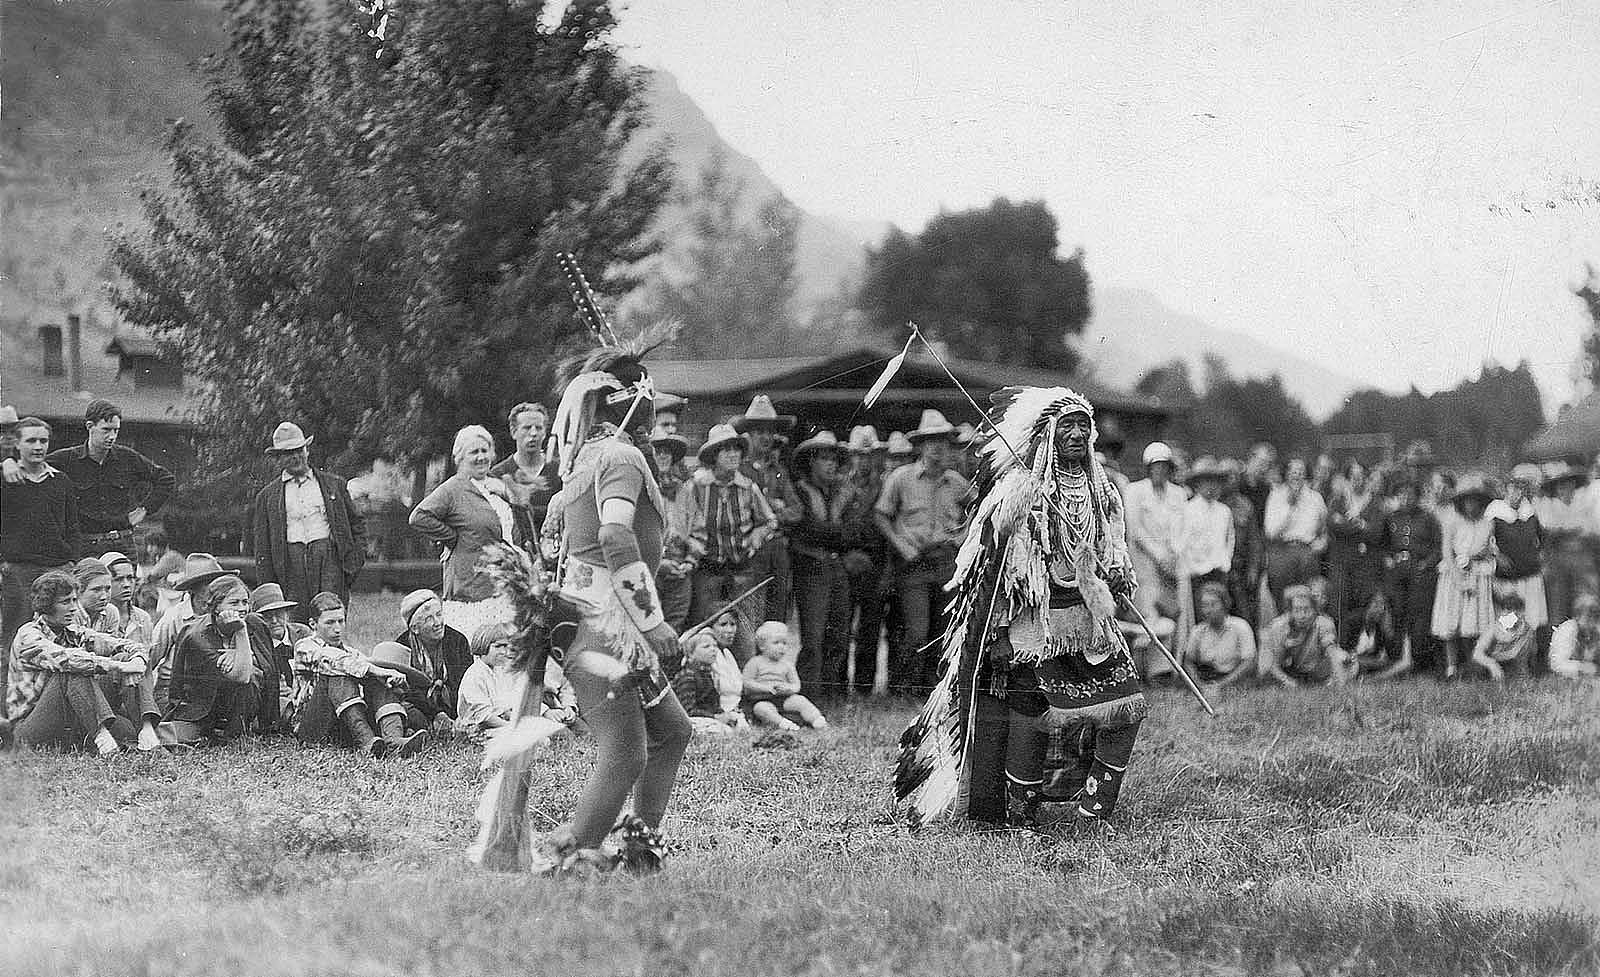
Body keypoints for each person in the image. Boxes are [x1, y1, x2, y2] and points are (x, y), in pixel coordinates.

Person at [896, 387, 1144, 827]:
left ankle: (1094, 809)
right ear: (1046, 433)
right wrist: (999, 633)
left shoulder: (1102, 489)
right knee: (1032, 713)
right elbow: (1000, 571)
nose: (1075, 434)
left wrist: (1116, 571)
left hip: (1090, 621)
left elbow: (1115, 544)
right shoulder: (1020, 490)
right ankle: (1020, 811)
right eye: (1065, 425)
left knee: (1125, 706)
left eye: (1082, 426)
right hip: (1033, 623)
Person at [522, 335, 692, 874]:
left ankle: (639, 850)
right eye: (653, 407)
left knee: (672, 731)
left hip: (599, 626)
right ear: (636, 410)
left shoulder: (582, 465)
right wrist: (655, 622)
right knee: (626, 752)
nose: (657, 419)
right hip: (608, 631)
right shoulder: (619, 457)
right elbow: (617, 539)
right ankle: (566, 862)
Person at [874, 409, 970, 695]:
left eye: (942, 440)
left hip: (947, 562)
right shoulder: (901, 478)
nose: (937, 447)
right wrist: (903, 546)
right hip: (914, 563)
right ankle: (905, 688)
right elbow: (881, 515)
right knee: (916, 630)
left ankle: (932, 690)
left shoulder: (956, 482)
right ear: (921, 445)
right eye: (931, 441)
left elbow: (978, 512)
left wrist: (962, 537)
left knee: (944, 628)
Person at [6, 570, 150, 754]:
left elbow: (125, 644)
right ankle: (100, 735)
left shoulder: (73, 631)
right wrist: (121, 667)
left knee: (127, 730)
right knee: (74, 667)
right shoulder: (28, 634)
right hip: (31, 725)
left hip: (70, 717)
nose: (74, 608)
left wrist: (136, 659)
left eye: (74, 600)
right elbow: (66, 660)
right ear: (46, 605)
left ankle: (147, 729)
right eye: (66, 602)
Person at [249, 422, 368, 620]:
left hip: (329, 560)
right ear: (278, 458)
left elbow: (357, 523)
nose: (295, 457)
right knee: (295, 621)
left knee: (330, 617)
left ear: (307, 450)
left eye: (299, 450)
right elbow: (262, 546)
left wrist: (353, 563)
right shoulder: (267, 496)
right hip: (290, 564)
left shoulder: (334, 485)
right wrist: (269, 585)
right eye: (288, 453)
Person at [681, 424, 778, 664]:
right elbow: (683, 523)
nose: (732, 455)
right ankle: (705, 687)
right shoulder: (697, 486)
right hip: (707, 569)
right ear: (714, 455)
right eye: (725, 450)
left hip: (742, 569)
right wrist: (694, 548)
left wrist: (756, 537)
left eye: (736, 449)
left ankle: (745, 689)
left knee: (744, 632)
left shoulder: (748, 487)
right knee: (705, 630)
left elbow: (770, 521)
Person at [286, 592, 426, 757]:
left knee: (376, 678)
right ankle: (365, 740)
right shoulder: (304, 646)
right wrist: (374, 670)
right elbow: (330, 660)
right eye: (330, 623)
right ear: (313, 624)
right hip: (312, 728)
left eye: (341, 621)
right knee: (341, 673)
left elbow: (364, 668)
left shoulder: (352, 653)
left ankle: (394, 741)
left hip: (343, 725)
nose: (337, 628)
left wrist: (390, 680)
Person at [410, 425, 519, 636]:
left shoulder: (495, 485)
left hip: (504, 584)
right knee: (474, 646)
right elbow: (419, 517)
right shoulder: (453, 488)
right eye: (474, 452)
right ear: (460, 457)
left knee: (504, 650)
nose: (481, 457)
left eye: (484, 451)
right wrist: (451, 537)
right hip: (473, 589)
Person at [1, 417, 80, 698]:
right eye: (31, 441)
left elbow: (72, 526)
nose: (38, 446)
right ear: (17, 444)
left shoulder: (61, 481)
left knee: (61, 635)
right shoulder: (7, 478)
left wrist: (71, 563)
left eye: (43, 441)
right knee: (15, 638)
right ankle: (9, 708)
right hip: (19, 572)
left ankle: (54, 702)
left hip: (57, 568)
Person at [42, 399, 175, 556]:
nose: (112, 436)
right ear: (90, 427)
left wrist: (144, 509)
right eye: (106, 430)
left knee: (127, 582)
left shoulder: (127, 457)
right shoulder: (67, 459)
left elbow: (165, 479)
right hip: (84, 546)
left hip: (123, 544)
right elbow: (32, 469)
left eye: (116, 431)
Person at [788, 431, 857, 697]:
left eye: (834, 460)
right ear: (811, 463)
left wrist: (833, 535)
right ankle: (808, 694)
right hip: (811, 568)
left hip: (837, 567)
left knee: (839, 633)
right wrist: (836, 535)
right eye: (824, 459)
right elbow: (807, 529)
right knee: (813, 638)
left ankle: (833, 694)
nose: (831, 465)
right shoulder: (800, 492)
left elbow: (855, 531)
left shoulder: (842, 493)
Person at [164, 576, 269, 745]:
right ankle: (226, 734)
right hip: (199, 707)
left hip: (228, 700)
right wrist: (241, 633)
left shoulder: (253, 621)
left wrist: (235, 651)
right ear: (216, 607)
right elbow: (242, 676)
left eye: (245, 602)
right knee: (177, 737)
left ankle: (237, 730)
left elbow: (264, 663)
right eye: (234, 603)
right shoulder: (198, 635)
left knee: (258, 677)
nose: (242, 608)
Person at [733, 395, 801, 623]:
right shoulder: (739, 469)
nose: (766, 437)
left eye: (770, 432)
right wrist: (772, 508)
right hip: (750, 549)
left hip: (777, 549)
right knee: (749, 612)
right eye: (759, 431)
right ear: (748, 435)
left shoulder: (777, 470)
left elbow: (797, 510)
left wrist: (771, 513)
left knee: (777, 611)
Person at [1431, 474, 1499, 680]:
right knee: (1450, 622)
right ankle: (1451, 667)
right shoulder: (1451, 521)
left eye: (1476, 501)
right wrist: (1459, 580)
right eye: (1467, 501)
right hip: (1454, 576)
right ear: (1461, 502)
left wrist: (1482, 556)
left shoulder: (1487, 523)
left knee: (1474, 622)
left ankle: (1473, 663)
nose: (1472, 505)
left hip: (1478, 574)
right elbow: (1447, 554)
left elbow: (1487, 548)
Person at [148, 553, 233, 712]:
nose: (215, 589)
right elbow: (150, 658)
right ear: (194, 588)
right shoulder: (175, 616)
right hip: (173, 689)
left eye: (218, 582)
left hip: (212, 686)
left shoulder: (225, 612)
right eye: (208, 583)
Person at [842, 426, 890, 696]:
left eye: (869, 455)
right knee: (841, 625)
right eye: (858, 455)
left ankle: (864, 686)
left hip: (875, 561)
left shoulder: (884, 485)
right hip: (846, 560)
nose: (863, 460)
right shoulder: (842, 485)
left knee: (870, 628)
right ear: (851, 456)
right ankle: (838, 686)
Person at [1378, 475, 1441, 672]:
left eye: (1410, 495)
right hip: (1397, 572)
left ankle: (1419, 659)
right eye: (1402, 495)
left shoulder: (1428, 518)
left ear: (1417, 497)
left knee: (1419, 616)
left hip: (1420, 572)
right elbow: (1383, 545)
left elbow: (1438, 547)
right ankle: (1398, 658)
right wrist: (1388, 559)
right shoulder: (1391, 518)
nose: (1406, 498)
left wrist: (1426, 564)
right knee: (1397, 612)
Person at [1123, 442, 1188, 629]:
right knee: (1149, 613)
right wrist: (1159, 556)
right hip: (1144, 561)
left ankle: (1175, 655)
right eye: (1156, 466)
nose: (1160, 470)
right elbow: (1136, 531)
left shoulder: (1178, 494)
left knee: (1176, 612)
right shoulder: (1134, 491)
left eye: (1165, 466)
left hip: (1172, 563)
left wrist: (1173, 554)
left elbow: (1182, 528)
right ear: (1148, 468)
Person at [390, 588, 474, 733]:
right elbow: (407, 690)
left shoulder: (457, 640)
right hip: (421, 706)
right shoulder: (402, 646)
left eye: (439, 614)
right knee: (404, 708)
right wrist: (435, 714)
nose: (437, 622)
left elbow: (466, 683)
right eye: (429, 619)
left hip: (455, 707)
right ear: (415, 628)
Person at [1325, 459, 1385, 643]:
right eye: (1353, 477)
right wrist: (1360, 526)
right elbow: (1333, 525)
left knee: (1363, 603)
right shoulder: (1338, 501)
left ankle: (1361, 649)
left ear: (1366, 479)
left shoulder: (1374, 503)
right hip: (1341, 562)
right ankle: (1341, 646)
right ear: (1347, 479)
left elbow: (1376, 532)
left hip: (1365, 564)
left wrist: (1348, 524)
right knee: (1340, 605)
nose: (1357, 481)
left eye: (1361, 477)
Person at [1488, 464, 1547, 648]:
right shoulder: (1495, 510)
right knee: (1509, 618)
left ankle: (1531, 657)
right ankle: (1508, 654)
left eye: (1522, 488)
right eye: (1514, 487)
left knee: (1533, 616)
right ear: (1506, 488)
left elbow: (1542, 539)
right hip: (1508, 577)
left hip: (1530, 573)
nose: (1518, 493)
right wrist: (1498, 556)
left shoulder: (1530, 511)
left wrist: (1540, 556)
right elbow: (1487, 541)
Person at [488, 403, 561, 548]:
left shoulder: (560, 472)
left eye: (538, 428)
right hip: (513, 557)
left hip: (555, 557)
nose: (533, 433)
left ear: (545, 432)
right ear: (514, 432)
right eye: (527, 428)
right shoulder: (498, 475)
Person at [1174, 456, 1233, 626]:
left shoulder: (1224, 511)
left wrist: (1225, 561)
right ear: (1197, 485)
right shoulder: (1187, 510)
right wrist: (1190, 566)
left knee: (1219, 615)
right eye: (1206, 482)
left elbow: (1229, 540)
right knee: (1198, 618)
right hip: (1196, 572)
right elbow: (1179, 543)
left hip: (1218, 571)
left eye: (1214, 482)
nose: (1211, 487)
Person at [1536, 462, 1596, 626]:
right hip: (1557, 560)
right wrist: (1568, 530)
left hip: (1582, 559)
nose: (1564, 488)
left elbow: (1589, 530)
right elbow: (1549, 529)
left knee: (1586, 599)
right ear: (1555, 488)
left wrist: (1572, 531)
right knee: (1559, 604)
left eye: (1568, 483)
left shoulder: (1582, 504)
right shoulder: (1549, 506)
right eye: (1560, 485)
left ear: (1574, 485)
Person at [1264, 458, 1328, 606]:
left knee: (1308, 599)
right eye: (1293, 472)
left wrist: (1322, 542)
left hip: (1307, 552)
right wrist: (1290, 507)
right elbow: (1271, 532)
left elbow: (1325, 527)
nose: (1296, 476)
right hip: (1282, 551)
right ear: (1286, 474)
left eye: (1301, 472)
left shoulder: (1315, 498)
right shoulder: (1276, 496)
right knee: (1283, 601)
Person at [741, 621, 827, 730]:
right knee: (761, 709)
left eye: (784, 643)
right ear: (762, 646)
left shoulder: (787, 664)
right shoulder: (755, 662)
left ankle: (817, 720)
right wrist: (765, 688)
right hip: (761, 699)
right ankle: (783, 724)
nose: (781, 647)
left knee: (801, 700)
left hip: (784, 698)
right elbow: (747, 682)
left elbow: (796, 685)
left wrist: (788, 688)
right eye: (776, 643)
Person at [649, 433, 694, 631]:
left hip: (680, 569)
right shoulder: (643, 488)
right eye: (658, 452)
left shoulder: (684, 491)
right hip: (650, 568)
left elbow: (698, 529)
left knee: (676, 625)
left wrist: (690, 561)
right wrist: (659, 562)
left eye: (667, 452)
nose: (663, 457)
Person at [1261, 584, 1347, 687]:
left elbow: (1333, 654)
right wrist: (1288, 681)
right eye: (1297, 610)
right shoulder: (1278, 627)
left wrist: (1341, 685)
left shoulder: (1324, 623)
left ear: (1315, 609)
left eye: (1307, 610)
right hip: (1286, 671)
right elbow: (1272, 665)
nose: (1302, 615)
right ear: (1290, 611)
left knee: (1343, 657)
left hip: (1316, 670)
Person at [249, 582, 306, 732]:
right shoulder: (254, 644)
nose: (274, 621)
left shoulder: (302, 634)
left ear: (287, 613)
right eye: (267, 616)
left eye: (279, 614)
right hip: (277, 701)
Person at [455, 622, 529, 739]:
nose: (504, 652)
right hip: (476, 729)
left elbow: (502, 707)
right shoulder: (475, 675)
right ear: (483, 645)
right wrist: (511, 727)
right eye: (498, 647)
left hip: (496, 723)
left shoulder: (498, 671)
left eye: (505, 647)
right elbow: (485, 716)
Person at [1180, 581, 1253, 689]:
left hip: (1234, 680)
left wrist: (1222, 685)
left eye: (1213, 604)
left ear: (1225, 604)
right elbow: (1188, 661)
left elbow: (1248, 662)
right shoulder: (1197, 631)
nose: (1208, 610)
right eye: (1205, 605)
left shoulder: (1241, 627)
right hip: (1206, 679)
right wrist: (1198, 685)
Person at [1220, 457, 1266, 629]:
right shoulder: (1214, 503)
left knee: (1246, 616)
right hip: (1220, 570)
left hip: (1241, 570)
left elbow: (1255, 541)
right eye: (1225, 476)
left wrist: (1254, 569)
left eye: (1233, 476)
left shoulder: (1245, 506)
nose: (1230, 480)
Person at [671, 630, 745, 736]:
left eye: (715, 646)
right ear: (691, 653)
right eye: (706, 647)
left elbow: (713, 704)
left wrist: (724, 715)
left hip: (708, 718)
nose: (713, 650)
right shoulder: (688, 675)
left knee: (740, 725)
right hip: (689, 721)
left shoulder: (707, 675)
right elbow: (687, 710)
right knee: (722, 730)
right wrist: (715, 717)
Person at [1470, 591, 1535, 683]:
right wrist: (1492, 665)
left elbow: (1526, 656)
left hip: (1513, 665)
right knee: (1478, 669)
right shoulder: (1494, 628)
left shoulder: (1527, 630)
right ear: (1501, 611)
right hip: (1492, 663)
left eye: (1517, 611)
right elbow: (1477, 654)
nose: (1512, 614)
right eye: (1507, 610)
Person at [1349, 592, 1411, 681]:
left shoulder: (1401, 626)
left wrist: (1377, 677)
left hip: (1404, 671)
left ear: (1385, 607)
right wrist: (1357, 659)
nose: (1373, 608)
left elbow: (1406, 663)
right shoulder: (1379, 629)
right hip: (1391, 668)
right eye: (1373, 603)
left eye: (1378, 603)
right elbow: (1381, 659)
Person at [99, 551, 155, 649]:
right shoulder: (98, 619)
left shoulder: (143, 618)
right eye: (118, 579)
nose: (126, 584)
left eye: (130, 578)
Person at [1549, 592, 1600, 679]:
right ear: (1577, 615)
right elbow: (1556, 664)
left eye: (1595, 615)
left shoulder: (1596, 630)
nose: (1592, 620)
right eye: (1589, 615)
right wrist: (1582, 667)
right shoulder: (1567, 630)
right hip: (1563, 682)